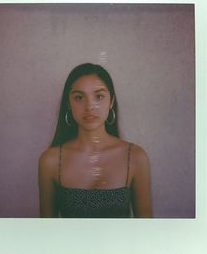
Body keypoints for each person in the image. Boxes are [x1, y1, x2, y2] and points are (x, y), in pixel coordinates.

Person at [38, 63, 152, 218]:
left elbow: (146, 232)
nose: (89, 106)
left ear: (111, 101)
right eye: (79, 97)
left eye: (99, 96)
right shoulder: (50, 161)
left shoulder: (136, 158)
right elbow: (47, 233)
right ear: (68, 104)